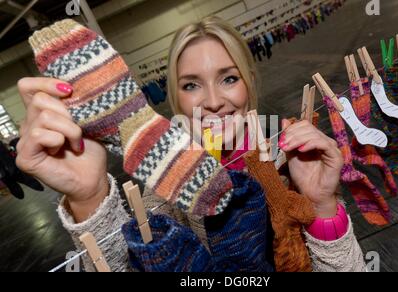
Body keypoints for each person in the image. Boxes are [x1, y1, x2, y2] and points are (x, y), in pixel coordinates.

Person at [16, 16, 366, 272]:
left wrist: (323, 208)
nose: (213, 100)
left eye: (228, 78)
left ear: (249, 81)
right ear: (175, 98)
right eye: (192, 85)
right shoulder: (164, 187)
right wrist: (87, 197)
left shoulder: (292, 158)